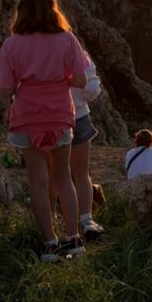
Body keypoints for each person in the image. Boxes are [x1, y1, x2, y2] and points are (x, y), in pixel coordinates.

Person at [0, 0, 88, 261]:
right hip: (60, 115)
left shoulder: (12, 44)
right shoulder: (67, 39)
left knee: (37, 181)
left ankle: (49, 243)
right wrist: (63, 79)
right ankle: (74, 240)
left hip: (27, 118)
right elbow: (81, 81)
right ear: (52, 7)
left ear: (21, 10)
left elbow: (4, 89)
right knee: (63, 177)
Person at [48, 54, 105, 240]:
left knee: (53, 175)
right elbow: (91, 90)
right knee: (81, 173)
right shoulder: (76, 52)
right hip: (78, 117)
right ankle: (87, 221)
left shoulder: (35, 50)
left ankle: (53, 220)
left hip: (50, 120)